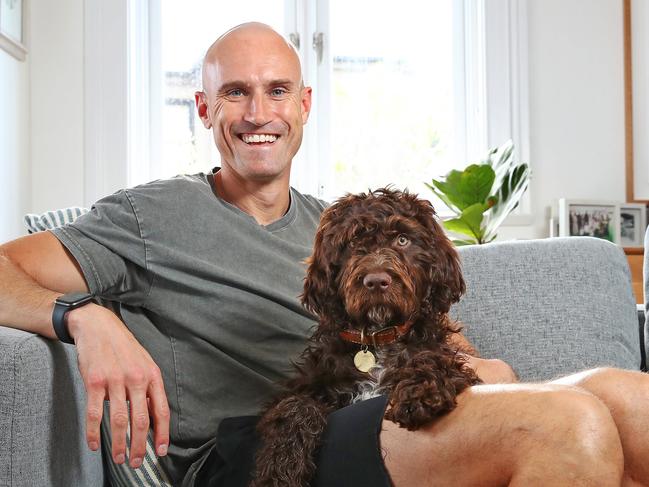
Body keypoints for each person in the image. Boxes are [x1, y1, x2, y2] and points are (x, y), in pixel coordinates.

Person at [1, 21, 649, 487]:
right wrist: (84, 316)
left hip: (377, 417)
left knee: (625, 401)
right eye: (235, 92)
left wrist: (471, 362)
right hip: (257, 451)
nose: (259, 112)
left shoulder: (338, 227)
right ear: (203, 106)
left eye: (277, 90)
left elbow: (428, 328)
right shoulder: (151, 215)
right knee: (568, 423)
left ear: (304, 105)